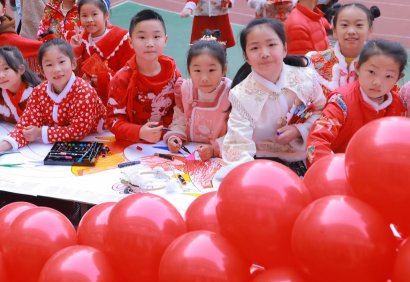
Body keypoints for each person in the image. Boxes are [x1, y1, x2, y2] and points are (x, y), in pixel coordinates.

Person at [221, 18, 325, 176]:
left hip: (304, 157)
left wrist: (300, 130)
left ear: (284, 49)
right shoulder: (241, 95)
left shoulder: (306, 78)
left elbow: (322, 113)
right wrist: (249, 176)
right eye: (255, 48)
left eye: (271, 45)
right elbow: (238, 143)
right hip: (260, 161)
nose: (264, 53)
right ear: (246, 57)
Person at [0, 39, 106, 160]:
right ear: (42, 70)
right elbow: (26, 127)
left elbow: (78, 131)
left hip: (98, 140)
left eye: (61, 62)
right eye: (49, 65)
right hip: (61, 146)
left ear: (73, 64)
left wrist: (41, 132)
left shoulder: (84, 91)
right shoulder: (39, 92)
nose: (56, 69)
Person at [307, 40, 407, 165]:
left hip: (378, 169)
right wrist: (330, 168)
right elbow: (317, 139)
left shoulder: (399, 107)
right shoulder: (341, 101)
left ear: (398, 78)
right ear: (357, 68)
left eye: (388, 76)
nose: (377, 82)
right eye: (371, 72)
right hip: (340, 167)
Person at [107, 9, 181, 144]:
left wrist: (168, 133)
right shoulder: (121, 79)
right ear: (130, 42)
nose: (150, 43)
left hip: (167, 141)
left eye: (156, 37)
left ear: (165, 40)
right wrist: (139, 132)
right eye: (142, 37)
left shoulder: (174, 74)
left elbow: (178, 111)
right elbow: (113, 121)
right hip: (131, 145)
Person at [164, 34, 231, 160]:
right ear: (189, 70)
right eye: (197, 71)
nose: (204, 78)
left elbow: (236, 134)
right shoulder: (185, 90)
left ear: (224, 69)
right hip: (188, 152)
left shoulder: (231, 94)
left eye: (211, 70)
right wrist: (175, 137)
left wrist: (214, 149)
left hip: (218, 157)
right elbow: (180, 121)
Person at [307, 3, 380, 98]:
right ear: (334, 31)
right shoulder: (313, 62)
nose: (351, 31)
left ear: (369, 30)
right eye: (344, 25)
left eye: (359, 25)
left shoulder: (381, 64)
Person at [71, 0, 134, 101]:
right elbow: (75, 73)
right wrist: (75, 49)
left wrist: (103, 79)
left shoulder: (122, 39)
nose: (89, 20)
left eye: (94, 14)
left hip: (114, 100)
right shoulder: (81, 39)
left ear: (106, 16)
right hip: (88, 98)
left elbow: (130, 74)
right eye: (84, 16)